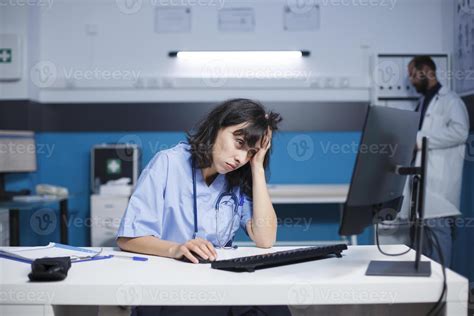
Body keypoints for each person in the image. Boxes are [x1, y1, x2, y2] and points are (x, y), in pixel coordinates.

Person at [116, 98, 291, 316]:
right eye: (239, 143)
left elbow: (265, 240)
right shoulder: (168, 163)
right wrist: (175, 249)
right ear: (217, 127)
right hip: (169, 285)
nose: (240, 158)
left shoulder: (237, 178)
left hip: (220, 283)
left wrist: (257, 167)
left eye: (251, 152)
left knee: (274, 309)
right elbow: (129, 238)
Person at [380, 56, 470, 267]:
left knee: (439, 234)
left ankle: (443, 288)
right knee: (425, 239)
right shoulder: (422, 103)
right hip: (421, 180)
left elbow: (460, 132)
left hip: (439, 183)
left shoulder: (451, 101)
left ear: (426, 70)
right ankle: (431, 289)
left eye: (412, 73)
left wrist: (419, 140)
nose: (410, 80)